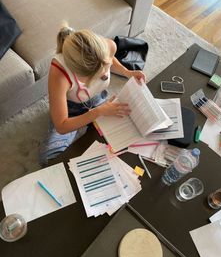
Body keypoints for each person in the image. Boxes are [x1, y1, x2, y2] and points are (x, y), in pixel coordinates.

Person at [39, 23, 146, 164]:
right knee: (49, 158)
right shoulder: (58, 73)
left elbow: (110, 60)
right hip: (71, 110)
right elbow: (62, 125)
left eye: (105, 71)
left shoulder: (108, 46)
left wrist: (128, 72)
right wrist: (98, 112)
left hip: (98, 100)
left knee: (126, 132)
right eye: (97, 77)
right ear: (77, 72)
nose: (104, 75)